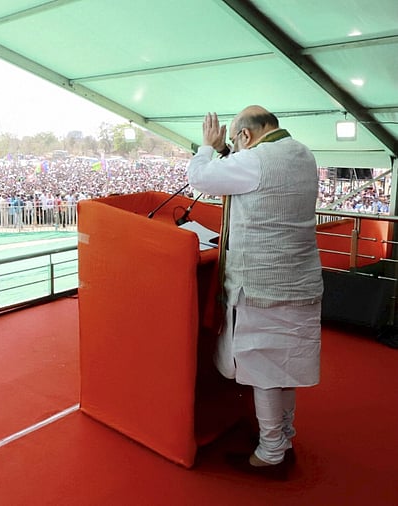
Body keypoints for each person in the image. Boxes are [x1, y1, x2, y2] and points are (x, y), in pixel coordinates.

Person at [187, 106, 323, 478]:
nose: (232, 146)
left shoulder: (256, 161)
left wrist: (208, 147)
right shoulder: (301, 153)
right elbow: (254, 175)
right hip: (299, 285)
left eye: (234, 140)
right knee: (285, 370)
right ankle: (286, 438)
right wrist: (228, 152)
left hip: (261, 290)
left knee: (262, 371)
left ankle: (271, 452)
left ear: (246, 136)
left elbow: (199, 177)